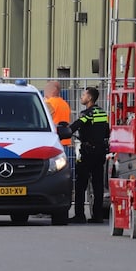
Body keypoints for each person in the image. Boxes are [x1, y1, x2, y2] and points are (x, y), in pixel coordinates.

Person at [67, 86, 110, 223]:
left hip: (87, 153)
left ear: (89, 98)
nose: (81, 97)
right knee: (98, 185)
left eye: (84, 95)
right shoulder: (103, 113)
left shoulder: (87, 114)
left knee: (81, 185)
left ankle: (80, 215)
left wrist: (63, 131)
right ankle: (97, 216)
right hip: (100, 152)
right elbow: (107, 132)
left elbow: (75, 126)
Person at [44, 81, 72, 147]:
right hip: (66, 140)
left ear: (53, 90)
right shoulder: (65, 103)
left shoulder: (49, 103)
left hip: (54, 141)